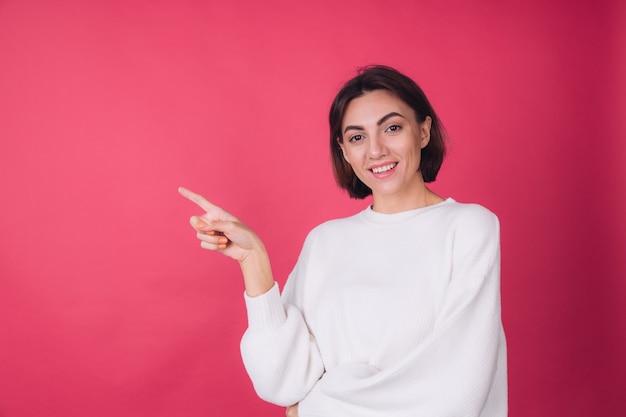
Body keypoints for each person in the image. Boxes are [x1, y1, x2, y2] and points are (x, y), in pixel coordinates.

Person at [179, 65, 507, 416]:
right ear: (345, 151)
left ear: (423, 131)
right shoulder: (325, 242)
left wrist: (318, 403)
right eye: (357, 137)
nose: (376, 150)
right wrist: (253, 259)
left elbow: (457, 390)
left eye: (392, 128)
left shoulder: (469, 228)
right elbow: (282, 382)